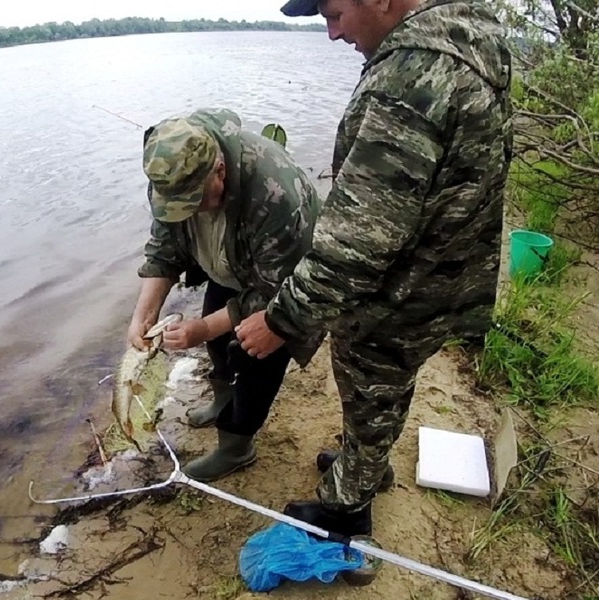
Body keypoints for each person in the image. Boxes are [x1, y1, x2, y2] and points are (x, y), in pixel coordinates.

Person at [235, 0, 513, 536]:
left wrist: (282, 320)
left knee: (370, 381)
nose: (332, 34)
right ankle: (364, 462)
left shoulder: (411, 76)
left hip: (400, 287)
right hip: (443, 271)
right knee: (387, 383)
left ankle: (347, 508)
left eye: (335, 14)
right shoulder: (474, 41)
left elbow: (359, 238)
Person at [128, 107, 325, 482]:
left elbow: (275, 292)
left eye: (196, 202)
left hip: (287, 285)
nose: (191, 212)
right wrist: (144, 314)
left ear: (220, 171)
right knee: (217, 340)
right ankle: (222, 399)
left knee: (254, 352)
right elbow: (164, 247)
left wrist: (201, 328)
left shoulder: (275, 193)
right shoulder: (174, 173)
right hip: (231, 262)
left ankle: (236, 447)